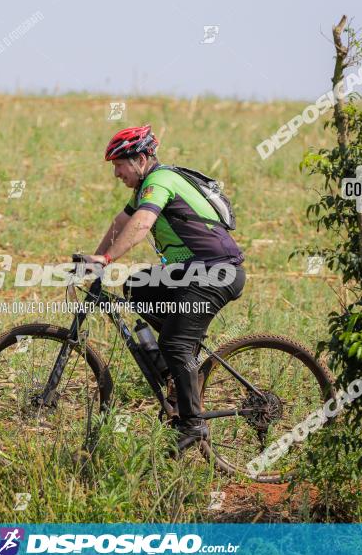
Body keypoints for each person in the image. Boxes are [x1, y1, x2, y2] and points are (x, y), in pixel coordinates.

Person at [85, 124, 246, 451]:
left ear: (141, 158)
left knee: (175, 342)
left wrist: (105, 258)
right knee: (137, 288)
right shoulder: (146, 186)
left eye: (119, 164)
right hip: (192, 273)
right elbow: (121, 222)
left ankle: (193, 424)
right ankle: (175, 372)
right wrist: (96, 258)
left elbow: (141, 224)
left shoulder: (161, 181)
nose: (115, 173)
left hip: (215, 272)